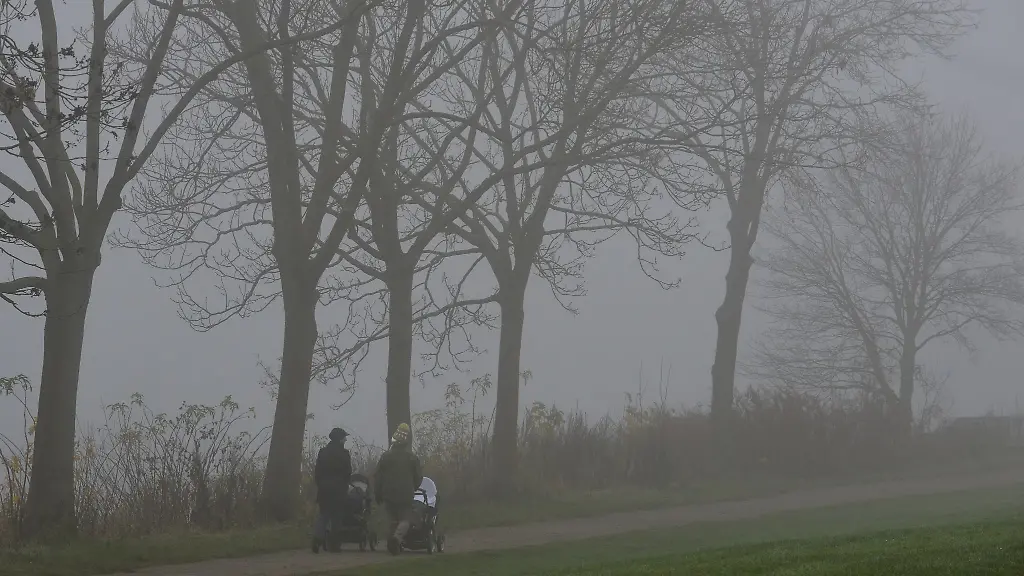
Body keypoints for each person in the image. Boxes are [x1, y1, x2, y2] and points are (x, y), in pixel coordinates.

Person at [374, 422, 422, 555]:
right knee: (406, 519)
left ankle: (392, 543)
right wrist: (413, 487)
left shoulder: (385, 457)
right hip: (406, 494)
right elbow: (418, 477)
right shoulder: (412, 458)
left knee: (392, 519)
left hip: (388, 494)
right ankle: (396, 539)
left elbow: (378, 477)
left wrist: (377, 493)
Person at [311, 427, 352, 553]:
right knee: (337, 517)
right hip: (339, 489)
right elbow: (348, 472)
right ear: (340, 439)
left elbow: (317, 472)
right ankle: (334, 545)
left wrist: (320, 484)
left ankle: (317, 539)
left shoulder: (323, 452)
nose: (345, 439)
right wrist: (345, 485)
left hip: (324, 488)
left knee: (323, 515)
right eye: (344, 437)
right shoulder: (345, 454)